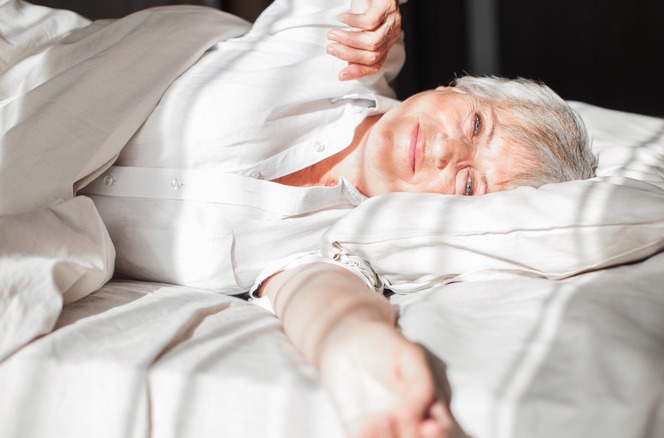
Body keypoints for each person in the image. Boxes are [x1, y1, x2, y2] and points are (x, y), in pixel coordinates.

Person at [76, 0, 595, 436]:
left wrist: (369, 359)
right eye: (477, 124)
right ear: (459, 88)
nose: (444, 149)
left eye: (466, 184)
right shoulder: (346, 47)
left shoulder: (343, 243)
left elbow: (326, 304)